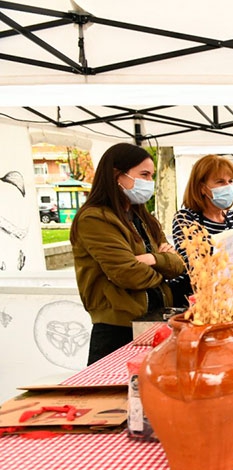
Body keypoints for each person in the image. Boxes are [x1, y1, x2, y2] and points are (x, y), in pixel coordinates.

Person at [70, 143, 185, 365]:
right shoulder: (95, 219)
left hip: (152, 322)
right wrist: (164, 269)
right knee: (114, 395)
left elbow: (178, 263)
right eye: (144, 174)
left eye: (151, 176)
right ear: (117, 175)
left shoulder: (142, 217)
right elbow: (128, 274)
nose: (149, 182)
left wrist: (153, 260)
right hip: (117, 329)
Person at [170, 155, 233, 305]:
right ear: (202, 187)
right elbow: (193, 265)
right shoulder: (186, 219)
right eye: (220, 182)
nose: (227, 186)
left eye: (230, 181)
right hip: (198, 300)